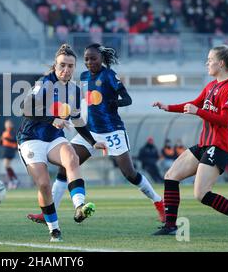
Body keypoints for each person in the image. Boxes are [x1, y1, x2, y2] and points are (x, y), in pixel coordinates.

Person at [27, 44, 165, 225]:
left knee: (130, 174)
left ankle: (158, 202)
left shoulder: (109, 75)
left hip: (112, 131)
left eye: (93, 58)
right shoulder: (83, 77)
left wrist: (114, 102)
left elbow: (127, 99)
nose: (90, 62)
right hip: (91, 131)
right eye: (86, 59)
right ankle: (48, 214)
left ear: (101, 59)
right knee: (65, 166)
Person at [152, 44, 228, 235]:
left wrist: (198, 111)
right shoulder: (211, 86)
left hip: (218, 146)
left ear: (221, 63)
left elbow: (225, 120)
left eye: (210, 60)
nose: (207, 63)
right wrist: (168, 107)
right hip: (204, 144)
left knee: (201, 194)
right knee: (171, 176)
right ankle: (170, 226)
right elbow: (194, 104)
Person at [17, 44, 106, 242]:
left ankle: (79, 207)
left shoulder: (74, 90)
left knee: (71, 158)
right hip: (31, 139)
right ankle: (54, 229)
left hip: (53, 138)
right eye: (62, 65)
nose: (66, 70)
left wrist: (92, 141)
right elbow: (25, 108)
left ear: (75, 67)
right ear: (55, 66)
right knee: (44, 184)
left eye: (70, 66)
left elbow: (77, 121)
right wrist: (52, 119)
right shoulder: (44, 83)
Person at [0, 119, 19, 189]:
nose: (7, 125)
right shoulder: (5, 132)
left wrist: (6, 139)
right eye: (6, 124)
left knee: (6, 165)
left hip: (10, 149)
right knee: (7, 165)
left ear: (11, 125)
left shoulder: (12, 131)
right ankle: (13, 179)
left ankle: (13, 180)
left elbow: (14, 140)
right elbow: (2, 141)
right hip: (5, 149)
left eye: (8, 123)